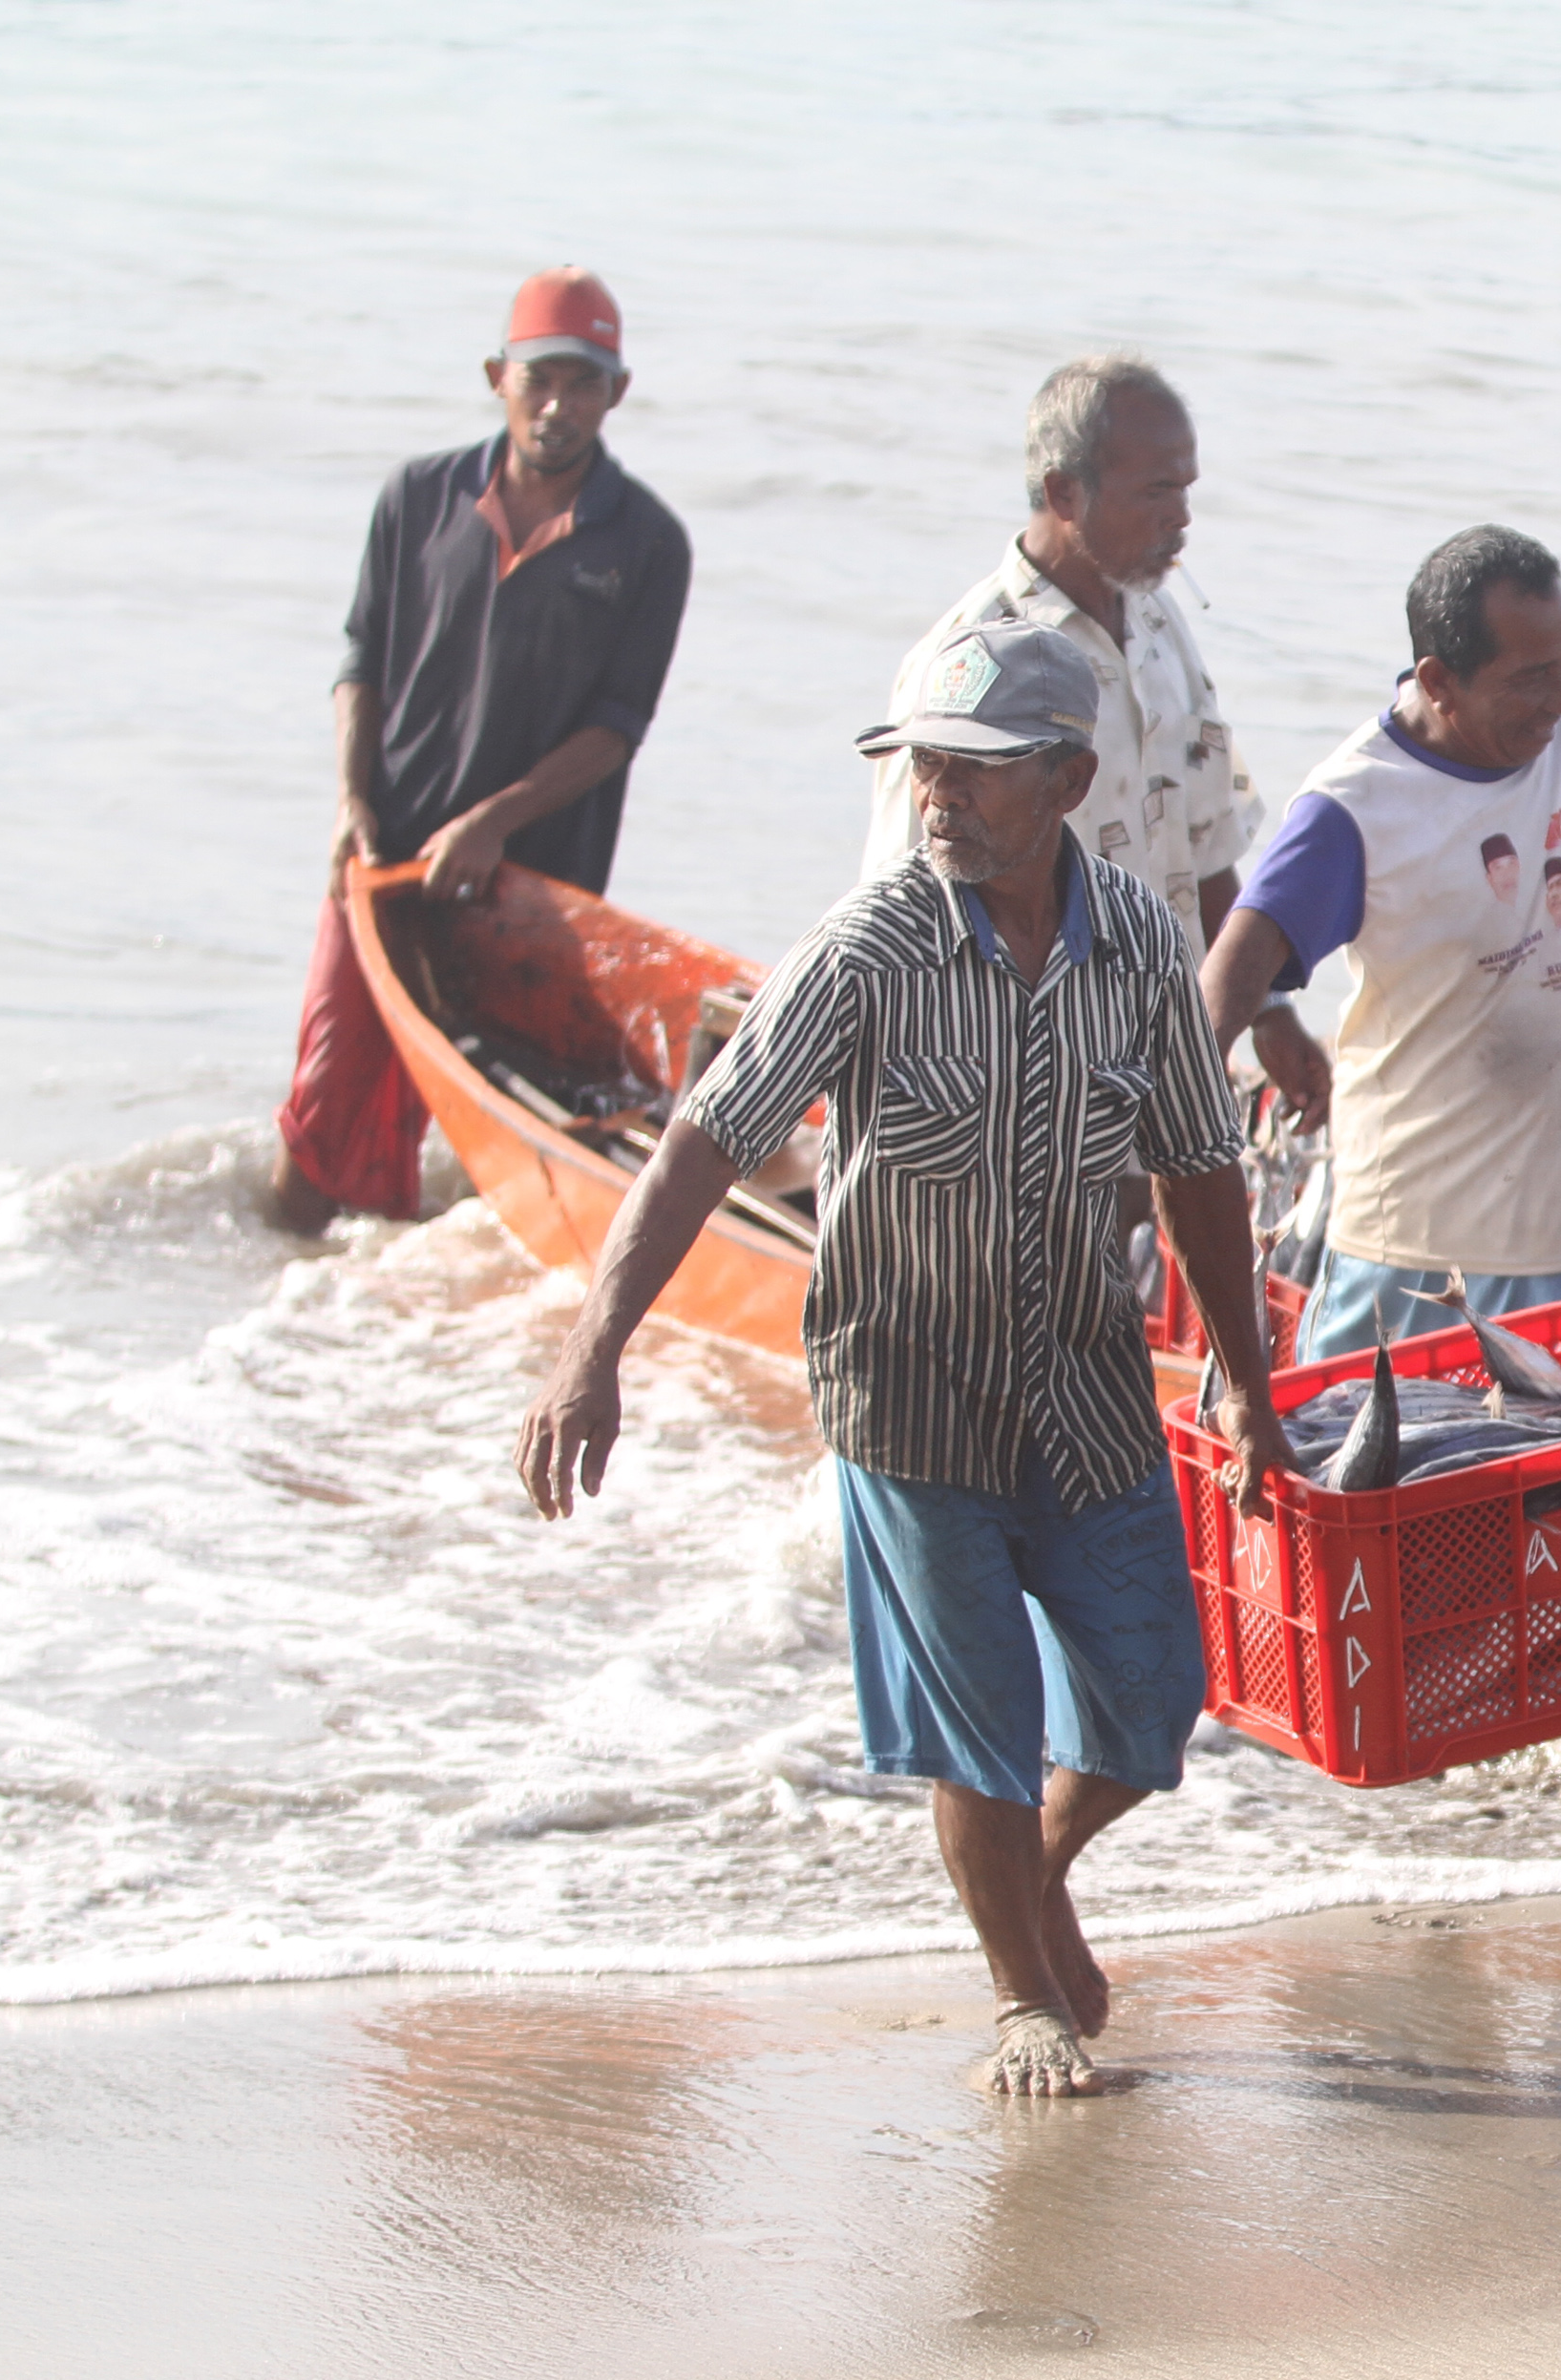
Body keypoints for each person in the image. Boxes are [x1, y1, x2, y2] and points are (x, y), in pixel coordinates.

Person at [517, 619, 1297, 2096]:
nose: (938, 796)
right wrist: (592, 1344)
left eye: (976, 770)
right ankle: (1025, 2000)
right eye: (923, 765)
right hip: (906, 1394)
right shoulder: (869, 942)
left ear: (1068, 778)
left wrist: (1248, 1382)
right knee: (979, 1734)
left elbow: (1200, 1166)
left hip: (1081, 1384)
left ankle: (1033, 1877)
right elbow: (706, 1138)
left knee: (1152, 1700)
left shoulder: (1137, 942)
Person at [265, 266, 693, 1235]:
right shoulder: (417, 497)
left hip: (532, 893)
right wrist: (350, 799)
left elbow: (617, 729)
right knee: (323, 1113)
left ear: (617, 393)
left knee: (503, 1148)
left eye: (585, 382)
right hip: (382, 869)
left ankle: (420, 1339)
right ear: (496, 375)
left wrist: (492, 823)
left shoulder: (650, 543)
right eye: (539, 376)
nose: (559, 404)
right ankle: (278, 1309)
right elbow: (358, 659)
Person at [1202, 526, 1561, 1358]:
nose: (1558, 697)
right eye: (1531, 678)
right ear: (1439, 682)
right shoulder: (1355, 806)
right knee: (1385, 1477)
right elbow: (1228, 982)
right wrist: (1184, 1113)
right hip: (1423, 1252)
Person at [864, 353, 1328, 1122]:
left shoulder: (1156, 620)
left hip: (1163, 1069)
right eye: (1156, 492)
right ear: (1063, 493)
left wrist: (1270, 1011)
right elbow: (902, 923)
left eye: (1186, 491)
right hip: (1025, 1099)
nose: (1180, 519)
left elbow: (1208, 848)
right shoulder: (966, 668)